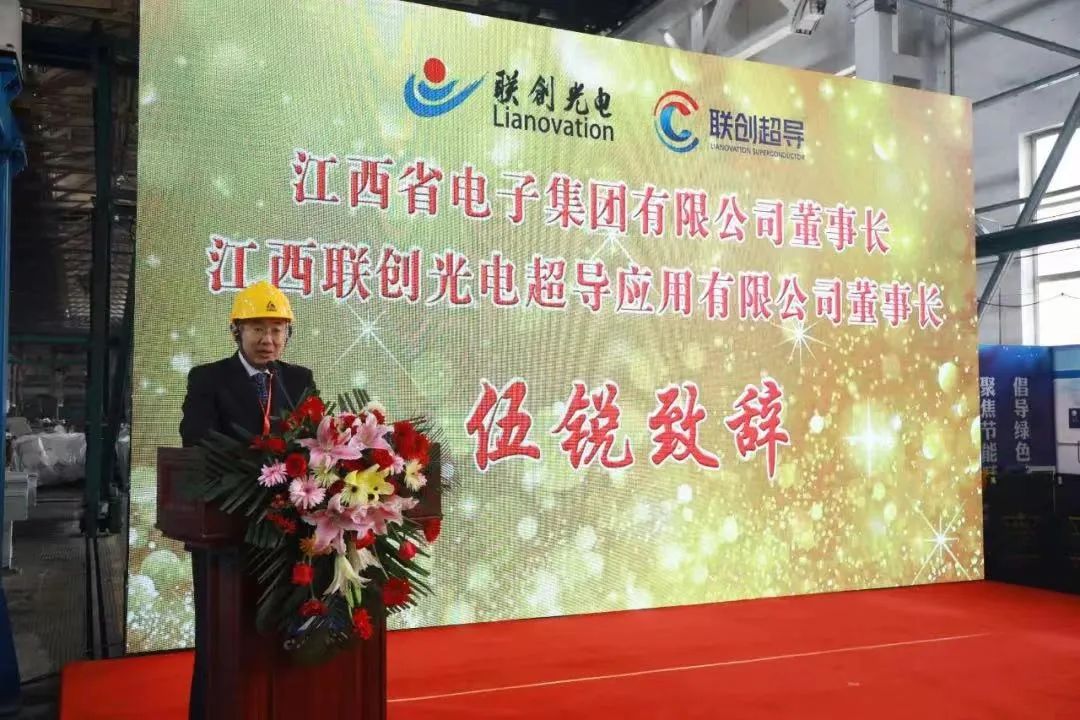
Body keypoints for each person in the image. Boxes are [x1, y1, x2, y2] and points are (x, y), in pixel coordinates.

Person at [179, 280, 316, 720]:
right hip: (227, 529)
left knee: (279, 636)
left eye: (277, 330)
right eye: (257, 328)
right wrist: (263, 458)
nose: (268, 339)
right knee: (223, 637)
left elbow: (315, 441)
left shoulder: (298, 380)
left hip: (286, 534)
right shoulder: (208, 378)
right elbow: (196, 440)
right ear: (236, 331)